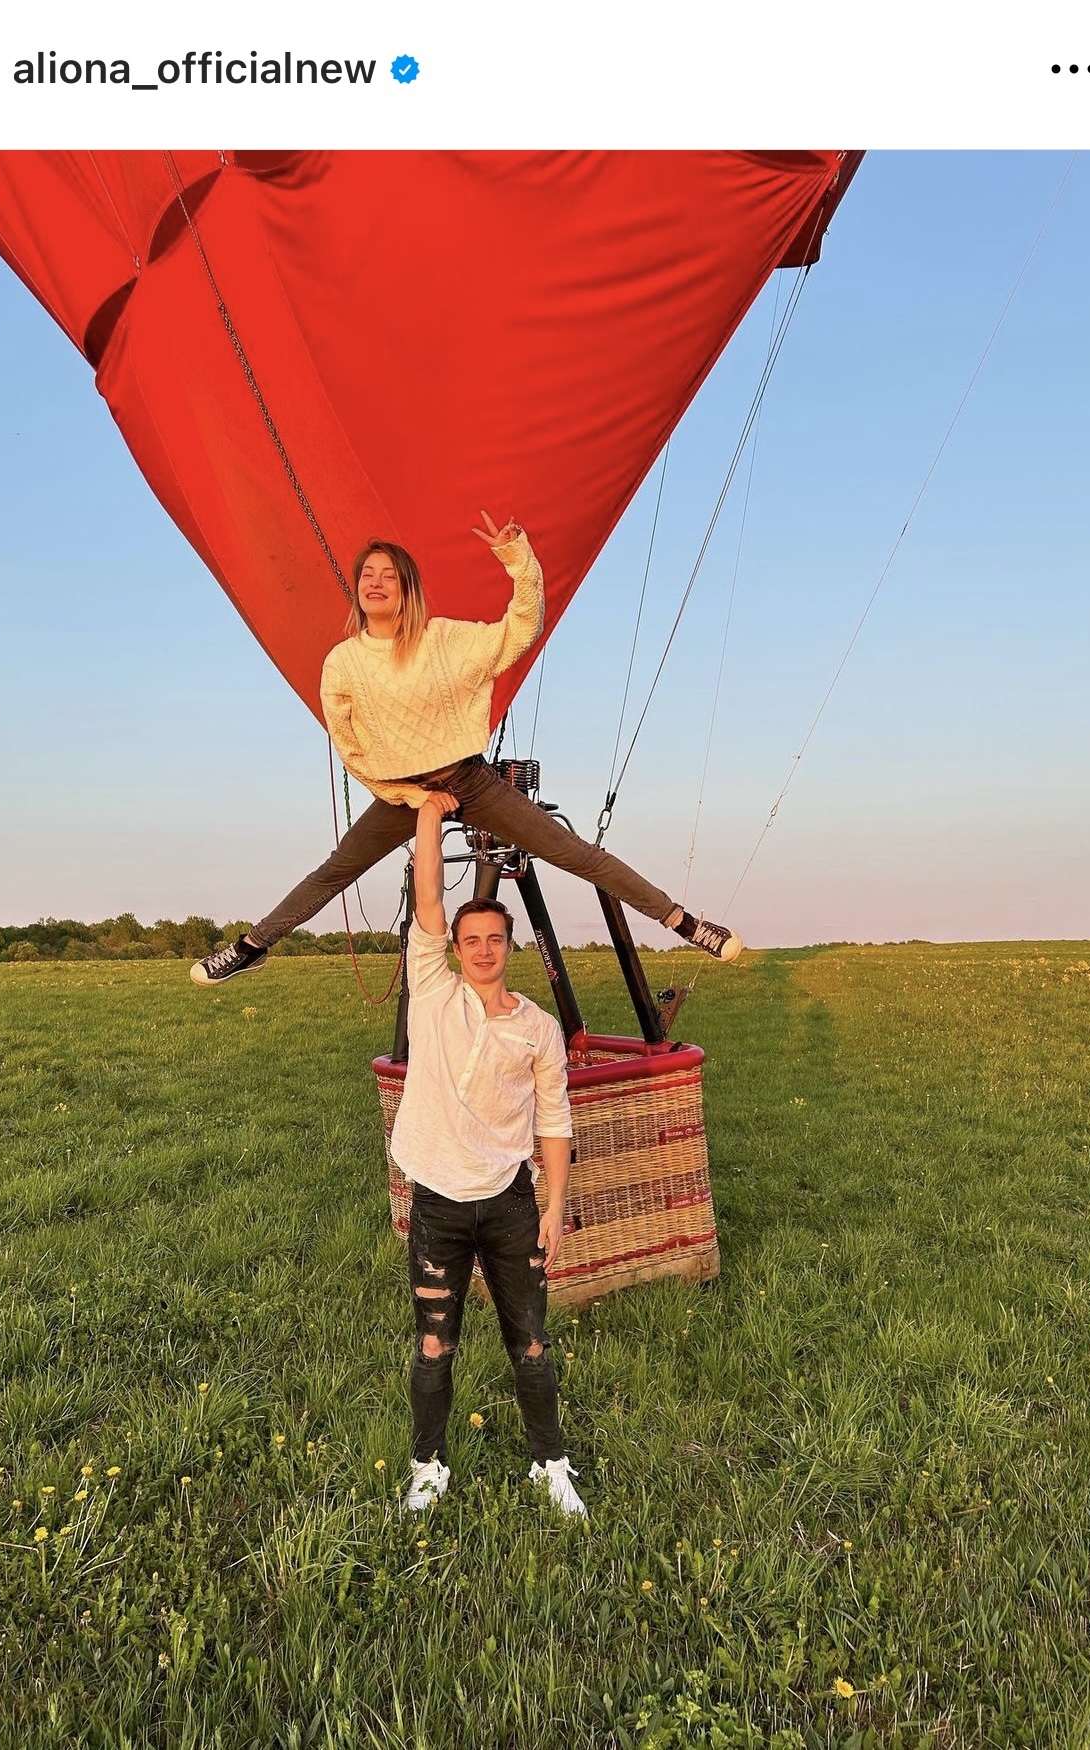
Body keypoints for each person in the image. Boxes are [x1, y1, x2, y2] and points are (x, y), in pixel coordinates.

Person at [192, 514, 743, 984]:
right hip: (404, 794)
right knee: (335, 871)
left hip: (471, 781)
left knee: (575, 853)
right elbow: (350, 747)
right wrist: (410, 797)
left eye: (389, 576)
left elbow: (520, 631)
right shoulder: (344, 663)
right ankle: (252, 946)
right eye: (367, 575)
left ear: (407, 589)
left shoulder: (444, 640)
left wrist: (518, 561)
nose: (375, 583)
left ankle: (684, 923)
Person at [393, 790, 586, 1516]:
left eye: (494, 940)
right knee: (433, 1345)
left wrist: (555, 1206)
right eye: (470, 939)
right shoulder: (432, 991)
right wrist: (429, 811)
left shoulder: (536, 1028)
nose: (481, 950)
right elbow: (427, 898)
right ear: (454, 948)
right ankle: (428, 1466)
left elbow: (555, 1121)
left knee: (530, 1343)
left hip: (508, 1204)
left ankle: (550, 1464)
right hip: (438, 1201)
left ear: (509, 947)